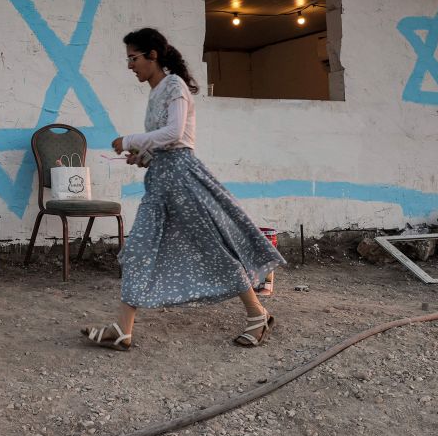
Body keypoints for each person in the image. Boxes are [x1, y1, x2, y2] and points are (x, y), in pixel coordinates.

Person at [81, 27, 286, 351]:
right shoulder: (156, 92)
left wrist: (130, 140)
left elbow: (175, 133)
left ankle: (257, 315)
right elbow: (164, 141)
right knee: (137, 252)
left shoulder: (174, 86)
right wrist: (143, 157)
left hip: (182, 179)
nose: (129, 65)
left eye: (133, 58)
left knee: (214, 249)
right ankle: (122, 329)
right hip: (161, 182)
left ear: (153, 55)